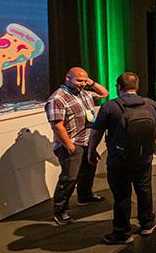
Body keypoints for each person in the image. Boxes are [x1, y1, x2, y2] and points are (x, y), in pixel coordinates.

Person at [87, 72, 156, 245]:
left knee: (122, 195)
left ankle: (122, 233)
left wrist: (91, 151)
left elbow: (96, 133)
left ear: (119, 87)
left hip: (119, 159)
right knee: (144, 189)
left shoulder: (109, 106)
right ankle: (147, 223)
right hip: (144, 157)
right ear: (136, 86)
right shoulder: (150, 104)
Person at [44, 67, 109, 225]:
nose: (82, 84)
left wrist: (90, 82)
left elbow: (104, 93)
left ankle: (85, 196)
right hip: (72, 143)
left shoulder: (84, 93)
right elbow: (57, 126)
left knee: (89, 169)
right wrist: (70, 146)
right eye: (79, 80)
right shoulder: (57, 98)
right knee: (69, 178)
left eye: (84, 81)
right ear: (68, 78)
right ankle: (60, 211)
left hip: (87, 141)